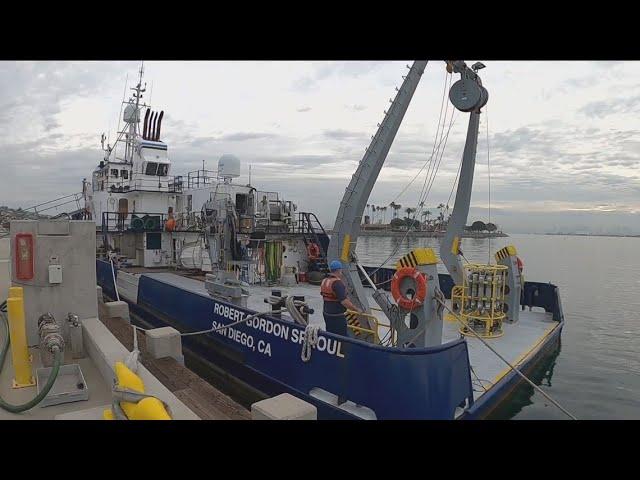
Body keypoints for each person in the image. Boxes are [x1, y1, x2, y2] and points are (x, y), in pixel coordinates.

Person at [320, 260, 361, 336]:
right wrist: (356, 309)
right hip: (337, 316)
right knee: (342, 336)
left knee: (330, 333)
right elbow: (344, 302)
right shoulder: (337, 283)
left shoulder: (325, 281)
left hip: (326, 313)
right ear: (339, 270)